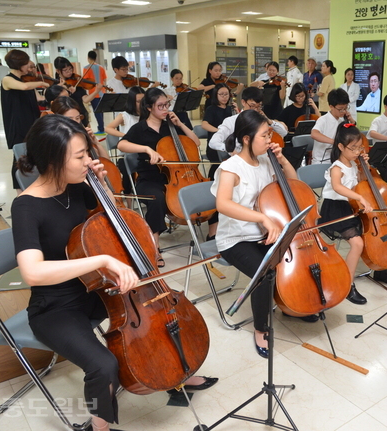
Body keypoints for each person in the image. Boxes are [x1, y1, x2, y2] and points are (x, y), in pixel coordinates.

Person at [12, 115, 217, 431]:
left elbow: (112, 225)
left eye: (87, 154)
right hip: (56, 305)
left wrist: (103, 185)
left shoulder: (78, 184)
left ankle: (176, 374)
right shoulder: (26, 206)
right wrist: (101, 262)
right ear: (53, 159)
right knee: (103, 366)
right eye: (80, 156)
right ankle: (99, 426)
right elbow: (33, 272)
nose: (88, 161)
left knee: (160, 323)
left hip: (99, 289)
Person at [211, 109, 297, 358]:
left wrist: (283, 161)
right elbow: (223, 204)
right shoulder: (230, 167)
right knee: (265, 271)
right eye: (264, 135)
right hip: (235, 239)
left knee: (288, 263)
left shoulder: (267, 160)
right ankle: (261, 328)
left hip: (265, 233)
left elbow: (294, 184)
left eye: (270, 134)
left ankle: (292, 304)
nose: (270, 140)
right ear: (246, 138)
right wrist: (262, 217)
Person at [117, 87, 201, 266]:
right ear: (149, 108)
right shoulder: (140, 129)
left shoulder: (170, 125)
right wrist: (146, 149)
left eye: (167, 105)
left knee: (205, 191)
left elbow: (195, 142)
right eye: (160, 106)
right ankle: (154, 248)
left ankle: (211, 236)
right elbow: (121, 145)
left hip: (176, 178)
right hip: (148, 179)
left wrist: (180, 124)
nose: (166, 109)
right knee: (157, 199)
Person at [319, 123, 387, 305]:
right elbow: (338, 187)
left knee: (377, 234)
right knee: (357, 243)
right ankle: (348, 284)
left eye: (360, 147)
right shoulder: (337, 167)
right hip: (335, 209)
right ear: (340, 146)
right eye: (353, 148)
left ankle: (380, 269)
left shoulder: (355, 164)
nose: (357, 151)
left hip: (352, 206)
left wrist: (365, 165)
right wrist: (359, 198)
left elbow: (363, 182)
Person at [1, 50, 48, 192]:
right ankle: (19, 192)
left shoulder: (26, 79)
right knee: (18, 160)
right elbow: (24, 88)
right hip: (18, 126)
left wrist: (55, 92)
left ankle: (35, 187)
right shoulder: (7, 79)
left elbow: (39, 99)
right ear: (19, 64)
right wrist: (41, 82)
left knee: (33, 156)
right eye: (26, 63)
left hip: (31, 123)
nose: (29, 66)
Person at [209, 86, 288, 154]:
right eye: (252, 105)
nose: (255, 110)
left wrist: (269, 121)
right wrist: (231, 150)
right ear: (243, 102)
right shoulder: (231, 121)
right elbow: (213, 142)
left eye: (259, 106)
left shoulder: (262, 121)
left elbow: (283, 133)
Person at [105, 86, 146, 194]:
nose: (141, 104)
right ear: (132, 102)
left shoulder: (147, 115)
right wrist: (125, 135)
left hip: (143, 153)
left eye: (144, 101)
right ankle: (128, 200)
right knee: (127, 173)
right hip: (127, 155)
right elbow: (108, 128)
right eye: (138, 101)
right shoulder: (124, 116)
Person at [202, 83, 237, 178]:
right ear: (216, 95)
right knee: (217, 166)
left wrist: (237, 112)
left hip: (230, 142)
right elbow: (204, 124)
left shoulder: (231, 109)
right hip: (215, 144)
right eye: (221, 94)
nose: (224, 97)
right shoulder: (211, 109)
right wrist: (220, 131)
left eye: (226, 94)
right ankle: (211, 182)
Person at [311, 88, 355, 164]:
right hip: (322, 161)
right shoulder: (323, 120)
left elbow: (353, 137)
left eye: (346, 108)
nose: (344, 111)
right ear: (331, 106)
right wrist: (334, 142)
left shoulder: (342, 120)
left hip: (337, 160)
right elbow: (314, 134)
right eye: (341, 109)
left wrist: (352, 121)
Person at [53, 56, 98, 128]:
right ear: (58, 71)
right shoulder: (55, 86)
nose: (69, 72)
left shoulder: (77, 82)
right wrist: (66, 90)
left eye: (70, 69)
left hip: (81, 114)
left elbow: (85, 99)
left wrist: (96, 91)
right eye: (65, 70)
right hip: (67, 118)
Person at [84, 50, 108, 132]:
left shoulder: (86, 68)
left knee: (97, 112)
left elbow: (85, 82)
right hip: (102, 92)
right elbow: (104, 80)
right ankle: (101, 127)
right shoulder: (101, 67)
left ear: (88, 58)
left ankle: (101, 129)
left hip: (94, 94)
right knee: (101, 111)